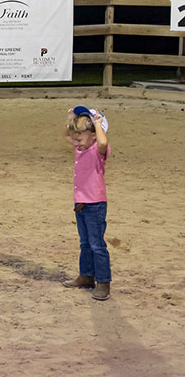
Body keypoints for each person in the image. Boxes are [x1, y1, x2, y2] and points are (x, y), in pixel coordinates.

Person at [61, 106, 112, 301]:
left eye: (79, 139)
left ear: (93, 135)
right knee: (85, 243)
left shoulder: (98, 152)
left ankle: (103, 282)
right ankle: (87, 275)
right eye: (74, 139)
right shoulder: (80, 147)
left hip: (95, 204)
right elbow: (67, 133)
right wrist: (71, 117)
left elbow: (103, 141)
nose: (75, 142)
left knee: (97, 244)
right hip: (81, 203)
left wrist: (98, 124)